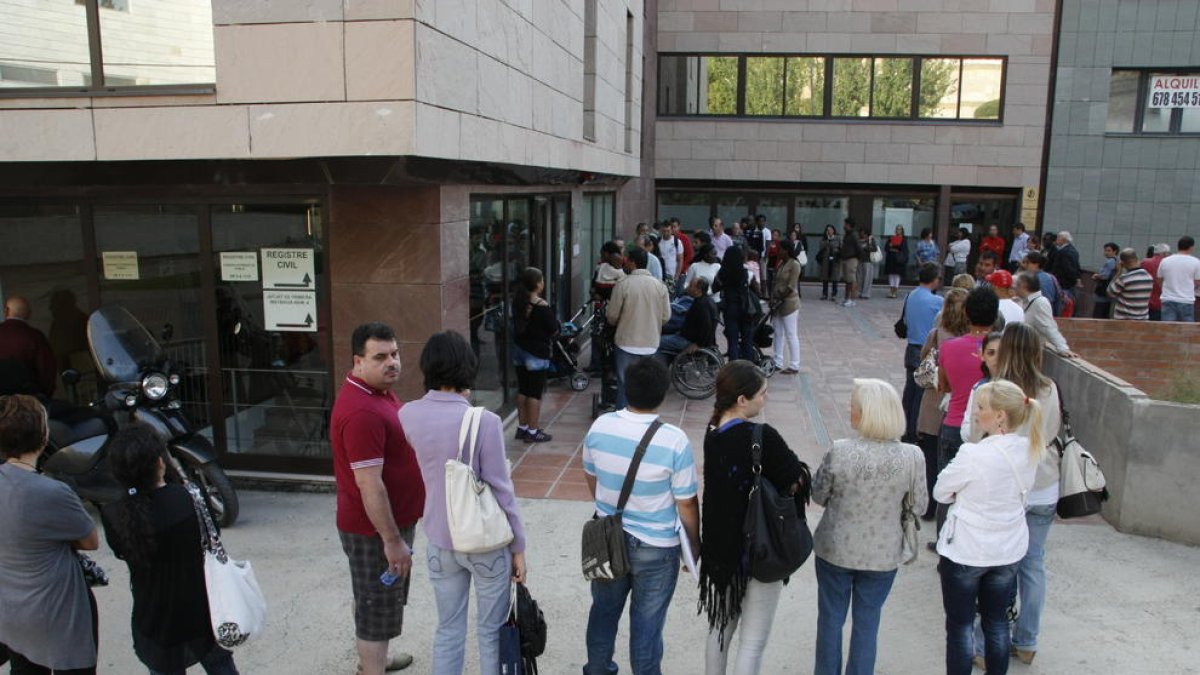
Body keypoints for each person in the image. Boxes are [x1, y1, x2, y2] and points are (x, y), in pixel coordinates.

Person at [399, 331, 527, 675]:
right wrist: (519, 546)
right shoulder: (484, 421)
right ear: (466, 369)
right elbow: (502, 488)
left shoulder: (408, 414)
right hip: (484, 542)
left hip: (440, 541)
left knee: (448, 629)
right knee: (490, 632)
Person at [582, 357, 700, 675]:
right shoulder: (674, 440)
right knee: (647, 627)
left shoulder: (600, 426)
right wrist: (693, 549)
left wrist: (609, 506)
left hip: (607, 538)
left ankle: (597, 668)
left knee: (603, 612)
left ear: (626, 387)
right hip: (657, 547)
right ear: (663, 392)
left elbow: (592, 478)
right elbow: (687, 503)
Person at [101, 423, 239, 675]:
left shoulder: (113, 514)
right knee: (221, 666)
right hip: (203, 611)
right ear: (160, 463)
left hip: (154, 619)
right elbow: (213, 535)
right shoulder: (190, 498)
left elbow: (122, 552)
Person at [700, 361, 809, 675]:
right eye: (762, 394)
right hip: (761, 547)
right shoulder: (762, 435)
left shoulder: (713, 431)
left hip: (721, 549)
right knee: (752, 642)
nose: (766, 399)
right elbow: (795, 479)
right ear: (742, 400)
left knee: (719, 629)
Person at [812, 379, 926, 675]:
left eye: (854, 407)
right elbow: (921, 507)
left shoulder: (840, 450)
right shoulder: (912, 456)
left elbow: (818, 494)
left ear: (866, 414)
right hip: (882, 553)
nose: (850, 410)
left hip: (835, 548)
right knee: (867, 622)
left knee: (830, 619)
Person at [331, 323, 425, 675]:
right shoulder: (362, 413)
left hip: (385, 525)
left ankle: (378, 660)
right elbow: (370, 485)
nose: (393, 363)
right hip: (374, 531)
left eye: (395, 354)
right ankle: (372, 668)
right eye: (381, 357)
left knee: (377, 598)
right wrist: (393, 540)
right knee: (377, 606)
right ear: (358, 361)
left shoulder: (377, 393)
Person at [935, 380, 1045, 675]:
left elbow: (941, 491)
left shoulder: (974, 454)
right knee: (996, 622)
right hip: (1008, 549)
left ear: (999, 416)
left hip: (967, 550)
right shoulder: (1030, 449)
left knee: (959, 626)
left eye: (982, 408)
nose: (976, 413)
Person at [976, 324, 1062, 667]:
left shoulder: (994, 390)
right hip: (1043, 484)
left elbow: (976, 436)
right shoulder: (1049, 388)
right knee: (1033, 564)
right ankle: (1027, 641)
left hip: (1003, 488)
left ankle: (984, 648)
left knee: (997, 566)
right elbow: (1051, 432)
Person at [0, 394, 101, 675]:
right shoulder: (52, 492)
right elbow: (91, 541)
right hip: (57, 613)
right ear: (44, 437)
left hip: (10, 608)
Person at [935, 288, 999, 535]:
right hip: (991, 429)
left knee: (948, 489)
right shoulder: (1002, 351)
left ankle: (944, 544)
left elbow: (943, 386)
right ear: (995, 315)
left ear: (966, 313)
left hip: (954, 422)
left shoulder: (949, 347)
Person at [916, 288, 970, 521]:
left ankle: (929, 508)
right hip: (960, 406)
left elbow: (923, 360)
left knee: (930, 458)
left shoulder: (937, 334)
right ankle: (948, 506)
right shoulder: (973, 339)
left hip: (933, 402)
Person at [607, 248, 672, 410]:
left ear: (633, 262)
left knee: (624, 383)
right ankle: (643, 416)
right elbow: (666, 316)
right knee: (645, 384)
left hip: (625, 342)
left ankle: (623, 418)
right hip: (650, 343)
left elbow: (612, 316)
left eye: (627, 259)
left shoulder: (623, 284)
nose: (624, 262)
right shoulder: (659, 286)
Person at [512, 268, 559, 443]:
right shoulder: (542, 306)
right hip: (537, 354)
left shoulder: (517, 302)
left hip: (519, 351)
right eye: (542, 280)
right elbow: (554, 330)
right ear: (538, 284)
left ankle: (522, 427)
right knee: (534, 393)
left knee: (523, 389)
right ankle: (533, 431)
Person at [900, 263, 944, 442]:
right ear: (934, 280)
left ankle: (904, 427)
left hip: (911, 347)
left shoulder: (910, 295)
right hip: (926, 350)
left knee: (910, 390)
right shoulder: (937, 301)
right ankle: (915, 431)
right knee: (921, 394)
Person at [0, 296, 57, 397]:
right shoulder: (35, 336)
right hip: (28, 400)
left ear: (6, 311)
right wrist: (45, 396)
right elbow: (46, 370)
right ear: (28, 313)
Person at [1014, 272, 1075, 357]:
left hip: (1028, 354)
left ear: (1023, 285)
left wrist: (1063, 347)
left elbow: (1048, 327)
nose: (1014, 287)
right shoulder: (1024, 300)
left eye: (1016, 285)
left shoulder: (1040, 302)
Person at [713, 245, 756, 361]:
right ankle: (748, 367)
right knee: (747, 340)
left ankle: (734, 368)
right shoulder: (747, 273)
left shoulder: (722, 273)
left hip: (730, 308)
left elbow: (714, 288)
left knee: (732, 341)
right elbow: (757, 290)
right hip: (745, 309)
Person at [657, 277, 718, 359]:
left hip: (687, 340)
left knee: (657, 342)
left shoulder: (701, 305)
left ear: (698, 290)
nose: (687, 288)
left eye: (690, 286)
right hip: (687, 336)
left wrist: (698, 344)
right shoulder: (708, 301)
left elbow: (706, 326)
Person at [771, 239, 803, 374]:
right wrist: (773, 299)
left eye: (781, 249)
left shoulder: (795, 264)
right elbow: (776, 282)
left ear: (787, 250)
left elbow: (791, 286)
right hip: (778, 303)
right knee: (778, 333)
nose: (779, 251)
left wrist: (780, 297)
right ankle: (778, 361)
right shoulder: (781, 264)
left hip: (789, 303)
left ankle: (794, 364)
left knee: (791, 334)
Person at [1157, 235, 1200, 322]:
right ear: (1191, 247)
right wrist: (1188, 288)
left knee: (1168, 330)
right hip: (1187, 300)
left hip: (1168, 299)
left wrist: (1167, 288)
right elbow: (1197, 282)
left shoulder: (1165, 261)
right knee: (1186, 331)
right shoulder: (1196, 262)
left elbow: (1159, 279)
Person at [1109, 248, 1154, 320]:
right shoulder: (1148, 277)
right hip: (1143, 320)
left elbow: (1110, 293)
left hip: (1124, 321)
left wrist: (1118, 272)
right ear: (1137, 259)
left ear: (1122, 263)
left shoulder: (1124, 279)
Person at [1048, 231, 1081, 316]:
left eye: (1058, 238)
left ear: (1063, 240)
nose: (1056, 240)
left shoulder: (1063, 252)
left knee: (1063, 305)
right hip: (1069, 283)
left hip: (1063, 283)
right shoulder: (1073, 250)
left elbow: (1067, 268)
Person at [1020, 251, 1061, 316]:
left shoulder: (1040, 279)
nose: (1024, 265)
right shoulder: (1046, 277)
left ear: (1036, 264)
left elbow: (1047, 300)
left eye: (1027, 263)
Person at [1141, 243, 1170, 320]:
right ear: (1165, 253)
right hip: (1161, 301)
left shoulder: (1144, 262)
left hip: (1145, 300)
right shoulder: (1167, 263)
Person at [1090, 242, 1120, 318]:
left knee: (1099, 312)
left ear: (1115, 251)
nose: (1106, 253)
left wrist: (1096, 276)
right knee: (1105, 312)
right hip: (1110, 290)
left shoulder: (1110, 261)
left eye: (1109, 251)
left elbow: (1105, 276)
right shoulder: (1117, 260)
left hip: (1103, 289)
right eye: (1105, 250)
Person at [838, 219, 863, 307]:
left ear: (849, 225)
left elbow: (859, 248)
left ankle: (852, 299)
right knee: (847, 280)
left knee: (851, 280)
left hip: (851, 259)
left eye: (845, 224)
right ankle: (846, 298)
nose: (844, 226)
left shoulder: (854, 235)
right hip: (845, 259)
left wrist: (857, 258)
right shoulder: (847, 235)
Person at [817, 225, 842, 301]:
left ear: (834, 230)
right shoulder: (823, 239)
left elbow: (841, 248)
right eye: (828, 230)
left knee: (835, 278)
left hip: (835, 260)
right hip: (826, 260)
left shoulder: (838, 238)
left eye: (831, 230)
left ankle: (834, 294)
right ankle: (825, 294)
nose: (829, 231)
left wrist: (837, 251)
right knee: (825, 277)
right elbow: (821, 247)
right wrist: (827, 241)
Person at [884, 226, 909, 298]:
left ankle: (895, 291)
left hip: (898, 260)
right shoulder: (891, 238)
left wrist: (894, 247)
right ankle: (891, 290)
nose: (898, 231)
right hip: (891, 259)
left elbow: (904, 250)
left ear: (902, 231)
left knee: (897, 276)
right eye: (897, 229)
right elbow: (886, 248)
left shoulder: (904, 240)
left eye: (899, 229)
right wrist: (890, 246)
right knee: (891, 275)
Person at [659, 224, 684, 291]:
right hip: (660, 275)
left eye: (668, 231)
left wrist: (677, 276)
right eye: (664, 231)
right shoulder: (658, 241)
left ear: (671, 230)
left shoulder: (677, 242)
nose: (666, 233)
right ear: (661, 231)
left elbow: (680, 260)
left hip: (672, 275)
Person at [856, 228, 879, 300]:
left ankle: (865, 293)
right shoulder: (858, 240)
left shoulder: (870, 239)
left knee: (867, 278)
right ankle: (859, 292)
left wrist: (866, 247)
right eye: (861, 232)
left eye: (863, 233)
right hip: (859, 260)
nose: (861, 234)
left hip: (868, 261)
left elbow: (875, 248)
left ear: (866, 233)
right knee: (859, 278)